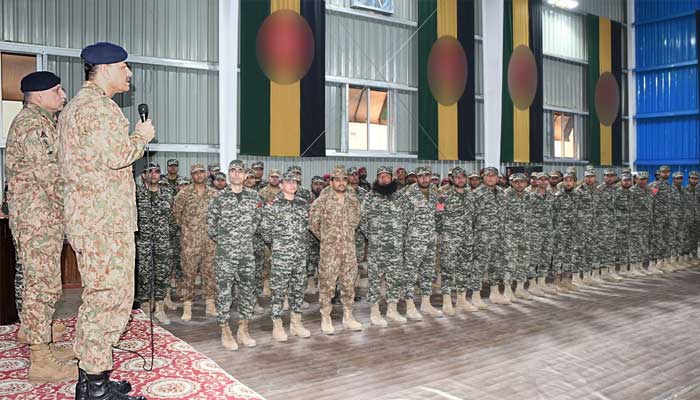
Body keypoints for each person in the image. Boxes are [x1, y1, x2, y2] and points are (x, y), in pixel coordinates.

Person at [58, 41, 153, 399]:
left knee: (97, 297)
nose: (129, 74)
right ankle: (96, 389)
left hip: (91, 219)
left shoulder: (74, 108)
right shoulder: (99, 109)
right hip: (104, 223)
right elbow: (117, 156)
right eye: (125, 67)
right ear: (107, 68)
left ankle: (91, 380)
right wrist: (141, 138)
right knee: (110, 299)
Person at [5, 71, 75, 382]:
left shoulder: (41, 122)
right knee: (43, 285)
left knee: (39, 281)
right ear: (39, 95)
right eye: (57, 90)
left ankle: (38, 339)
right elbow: (51, 177)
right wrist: (78, 207)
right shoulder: (33, 125)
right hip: (38, 219)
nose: (63, 95)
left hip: (39, 217)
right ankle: (41, 360)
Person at [207, 160, 261, 351]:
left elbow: (256, 220)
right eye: (233, 170)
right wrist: (226, 240)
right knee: (224, 292)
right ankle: (225, 329)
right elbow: (211, 225)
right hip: (226, 254)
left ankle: (243, 328)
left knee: (247, 290)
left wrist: (243, 237)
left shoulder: (254, 197)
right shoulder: (219, 198)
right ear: (229, 174)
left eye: (240, 171)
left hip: (246, 253)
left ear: (245, 174)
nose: (236, 174)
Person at [310, 166, 363, 334]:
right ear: (331, 181)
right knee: (327, 284)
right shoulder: (322, 200)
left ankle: (348, 316)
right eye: (337, 179)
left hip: (348, 249)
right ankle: (326, 317)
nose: (341, 183)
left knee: (349, 284)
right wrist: (327, 238)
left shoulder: (352, 200)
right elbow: (313, 224)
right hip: (330, 251)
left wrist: (345, 236)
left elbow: (356, 221)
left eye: (344, 179)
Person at [261, 171, 312, 341]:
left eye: (295, 182)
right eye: (288, 182)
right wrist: (278, 246)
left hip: (299, 255)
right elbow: (266, 231)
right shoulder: (273, 205)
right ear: (281, 185)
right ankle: (277, 325)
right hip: (281, 256)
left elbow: (306, 228)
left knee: (298, 289)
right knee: (278, 291)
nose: (292, 184)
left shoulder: (303, 204)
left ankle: (296, 323)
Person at [360, 166, 407, 326]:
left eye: (386, 176)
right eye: (381, 176)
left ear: (392, 178)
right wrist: (373, 237)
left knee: (394, 279)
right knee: (374, 280)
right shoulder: (370, 197)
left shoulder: (399, 197)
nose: (383, 179)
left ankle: (392, 310)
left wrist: (400, 236)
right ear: (377, 178)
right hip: (377, 248)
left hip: (395, 247)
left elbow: (406, 218)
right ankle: (375, 312)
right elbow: (363, 219)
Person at [172, 163, 218, 321]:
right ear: (191, 176)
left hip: (210, 243)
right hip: (190, 243)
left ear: (205, 174)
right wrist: (189, 231)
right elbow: (176, 216)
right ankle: (188, 307)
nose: (199, 175)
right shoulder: (183, 194)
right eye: (195, 173)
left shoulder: (214, 194)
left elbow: (219, 216)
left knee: (210, 275)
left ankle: (210, 306)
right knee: (188, 275)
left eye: (201, 172)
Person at [400, 166, 443, 319]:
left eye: (427, 175)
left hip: (430, 239)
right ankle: (410, 305)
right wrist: (404, 241)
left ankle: (426, 303)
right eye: (421, 176)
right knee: (410, 273)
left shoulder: (434, 190)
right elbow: (402, 219)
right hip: (414, 239)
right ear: (416, 178)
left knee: (428, 272)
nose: (425, 179)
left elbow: (438, 212)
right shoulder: (408, 193)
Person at [135, 162, 174, 325]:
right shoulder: (137, 194)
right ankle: (144, 308)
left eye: (157, 171)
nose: (153, 174)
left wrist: (167, 236)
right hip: (143, 242)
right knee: (144, 275)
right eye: (149, 172)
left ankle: (159, 308)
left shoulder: (167, 193)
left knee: (161, 274)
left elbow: (172, 218)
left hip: (162, 241)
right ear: (144, 175)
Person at [437, 167, 479, 314]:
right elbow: (438, 216)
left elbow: (475, 217)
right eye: (457, 177)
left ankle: (462, 300)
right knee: (448, 269)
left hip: (467, 238)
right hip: (450, 239)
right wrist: (445, 234)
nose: (460, 180)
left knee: (465, 269)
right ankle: (447, 301)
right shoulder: (444, 196)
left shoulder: (471, 196)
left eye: (463, 177)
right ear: (452, 179)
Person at [472, 167, 508, 307]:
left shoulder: (501, 193)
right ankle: (476, 295)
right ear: (483, 178)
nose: (491, 178)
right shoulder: (476, 194)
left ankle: (495, 293)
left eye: (494, 176)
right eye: (488, 175)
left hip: (498, 236)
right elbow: (471, 217)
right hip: (482, 237)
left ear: (498, 178)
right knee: (479, 267)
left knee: (496, 265)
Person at [503, 173, 534, 301]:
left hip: (525, 234)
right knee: (510, 262)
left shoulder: (530, 196)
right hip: (510, 235)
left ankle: (520, 288)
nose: (519, 184)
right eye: (516, 182)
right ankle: (507, 289)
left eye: (522, 182)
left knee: (523, 262)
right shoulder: (505, 195)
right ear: (512, 183)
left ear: (526, 183)